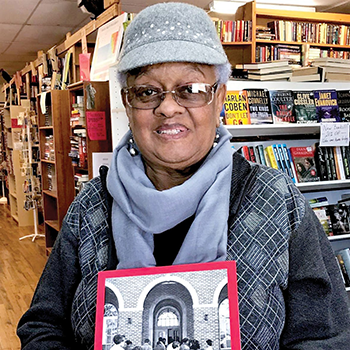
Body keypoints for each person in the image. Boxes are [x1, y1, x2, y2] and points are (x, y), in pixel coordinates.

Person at [17, 2, 350, 350]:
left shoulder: (275, 200)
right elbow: (43, 325)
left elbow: (327, 336)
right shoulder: (92, 207)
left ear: (219, 97)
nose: (169, 107)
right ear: (127, 104)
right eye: (147, 92)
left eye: (190, 89)